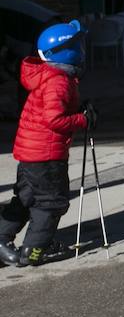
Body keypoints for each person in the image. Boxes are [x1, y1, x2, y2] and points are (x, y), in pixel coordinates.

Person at [0, 21, 91, 267]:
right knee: (52, 201)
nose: (83, 50)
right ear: (67, 51)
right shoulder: (58, 80)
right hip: (46, 155)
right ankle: (36, 249)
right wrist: (83, 119)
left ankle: (1, 238)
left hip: (32, 154)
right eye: (78, 45)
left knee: (26, 198)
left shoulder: (49, 75)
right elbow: (54, 119)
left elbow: (52, 110)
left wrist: (78, 109)